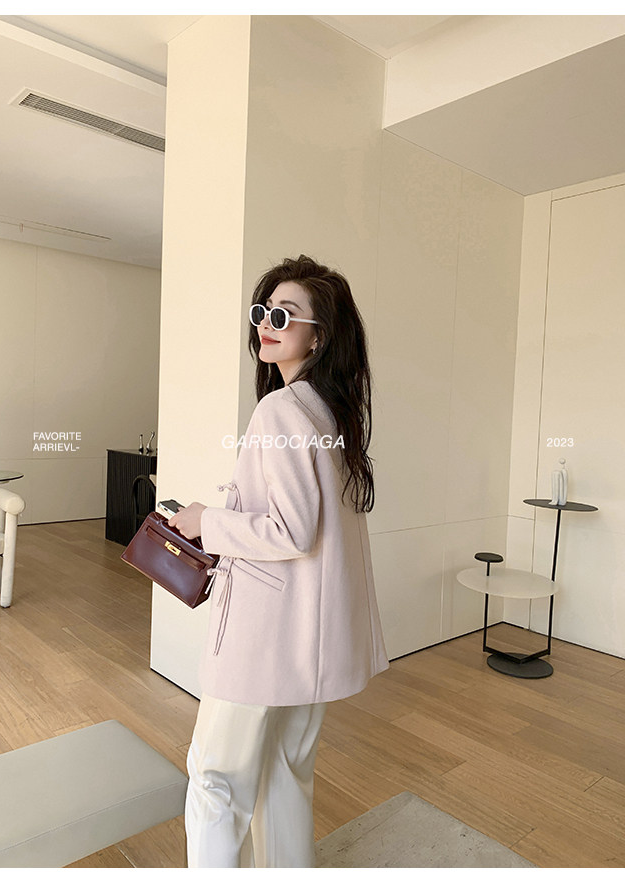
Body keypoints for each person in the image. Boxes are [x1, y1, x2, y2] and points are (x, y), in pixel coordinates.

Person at [169, 254, 389, 868]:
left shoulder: (279, 410)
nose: (267, 324)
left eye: (285, 316)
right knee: (287, 773)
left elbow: (291, 531)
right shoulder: (333, 414)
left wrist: (206, 521)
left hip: (263, 638)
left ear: (319, 336)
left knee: (215, 779)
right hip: (311, 641)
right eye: (263, 312)